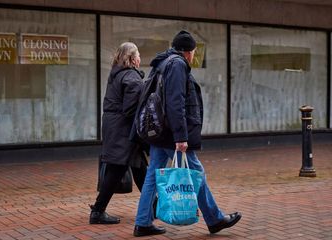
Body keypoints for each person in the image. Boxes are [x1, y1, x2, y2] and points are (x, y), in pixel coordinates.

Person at [133, 30, 242, 237]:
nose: (193, 55)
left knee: (153, 176)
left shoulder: (163, 63)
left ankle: (143, 222)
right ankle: (215, 218)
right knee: (196, 173)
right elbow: (175, 102)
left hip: (159, 131)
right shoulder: (177, 65)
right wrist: (181, 137)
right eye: (193, 51)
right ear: (188, 51)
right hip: (170, 134)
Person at [89, 42, 148, 224]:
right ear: (132, 58)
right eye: (138, 55)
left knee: (139, 168)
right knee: (117, 169)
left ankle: (153, 206)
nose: (140, 58)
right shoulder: (131, 77)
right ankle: (98, 211)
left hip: (115, 126)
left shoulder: (116, 74)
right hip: (123, 129)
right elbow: (131, 110)